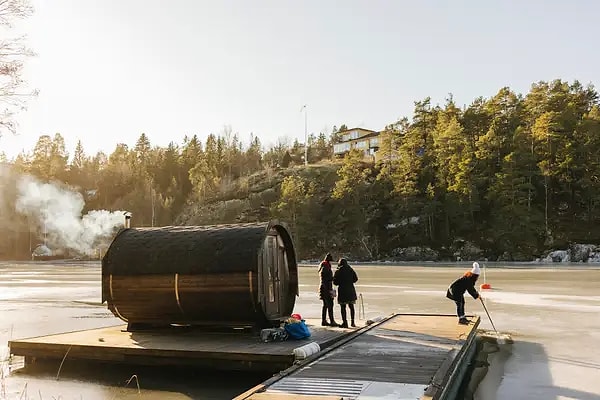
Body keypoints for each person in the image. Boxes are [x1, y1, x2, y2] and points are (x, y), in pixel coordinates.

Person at [333, 258, 359, 328]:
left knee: (343, 307)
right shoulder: (350, 269)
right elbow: (356, 279)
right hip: (351, 290)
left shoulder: (338, 271)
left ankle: (345, 323)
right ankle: (353, 322)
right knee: (351, 306)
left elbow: (335, 282)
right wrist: (350, 281)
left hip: (342, 291)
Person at [318, 253, 338, 326]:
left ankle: (324, 321)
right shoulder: (326, 267)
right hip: (326, 289)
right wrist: (332, 279)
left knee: (325, 305)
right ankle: (332, 321)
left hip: (323, 288)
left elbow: (324, 279)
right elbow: (325, 279)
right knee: (330, 305)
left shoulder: (323, 265)